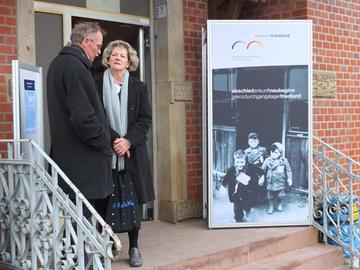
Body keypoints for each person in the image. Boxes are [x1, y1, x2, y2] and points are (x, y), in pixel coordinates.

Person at [95, 40, 155, 267]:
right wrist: (114, 141)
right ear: (108, 59)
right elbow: (97, 117)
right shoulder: (96, 83)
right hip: (104, 151)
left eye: (123, 55)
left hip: (132, 154)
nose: (118, 58)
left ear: (130, 62)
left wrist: (128, 141)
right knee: (103, 198)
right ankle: (107, 244)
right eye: (114, 54)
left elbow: (145, 119)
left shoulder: (139, 87)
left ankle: (134, 247)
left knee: (132, 200)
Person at [47, 22, 113, 219]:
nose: (99, 52)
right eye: (98, 46)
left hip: (69, 163)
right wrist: (104, 142)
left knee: (72, 228)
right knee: (81, 230)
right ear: (85, 41)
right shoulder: (76, 68)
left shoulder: (58, 63)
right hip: (83, 166)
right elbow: (83, 119)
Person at [222, 149, 263, 222]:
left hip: (247, 192)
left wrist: (262, 177)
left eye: (242, 162)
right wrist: (223, 186)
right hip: (236, 195)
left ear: (245, 161)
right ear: (234, 162)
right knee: (237, 209)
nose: (239, 164)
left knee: (247, 206)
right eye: (237, 162)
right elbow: (226, 178)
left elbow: (261, 171)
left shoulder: (250, 167)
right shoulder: (231, 170)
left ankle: (248, 212)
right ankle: (238, 218)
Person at [260, 142, 293, 214]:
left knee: (280, 195)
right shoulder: (267, 160)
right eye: (272, 152)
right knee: (270, 196)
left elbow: (288, 170)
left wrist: (289, 179)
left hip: (280, 182)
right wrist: (262, 177)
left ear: (280, 153)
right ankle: (271, 206)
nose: (273, 154)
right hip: (270, 182)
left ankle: (279, 204)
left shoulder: (284, 161)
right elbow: (262, 170)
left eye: (276, 152)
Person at [244, 132, 267, 205]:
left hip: (261, 171)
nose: (253, 143)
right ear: (248, 142)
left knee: (262, 186)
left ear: (258, 141)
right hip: (252, 173)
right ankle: (252, 199)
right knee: (251, 186)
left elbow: (267, 161)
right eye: (251, 141)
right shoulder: (246, 152)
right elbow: (245, 164)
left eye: (255, 141)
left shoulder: (263, 150)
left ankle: (263, 198)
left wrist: (263, 173)